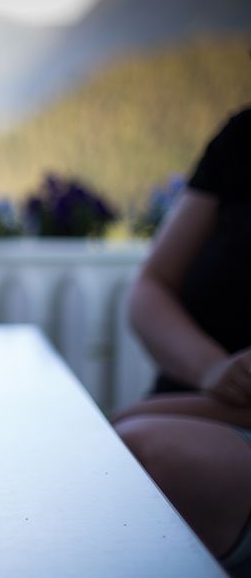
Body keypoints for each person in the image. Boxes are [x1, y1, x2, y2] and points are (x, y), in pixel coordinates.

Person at [114, 106, 251, 574]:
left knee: (130, 456)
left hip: (208, 424)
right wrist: (211, 369)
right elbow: (150, 286)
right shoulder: (242, 137)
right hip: (203, 399)